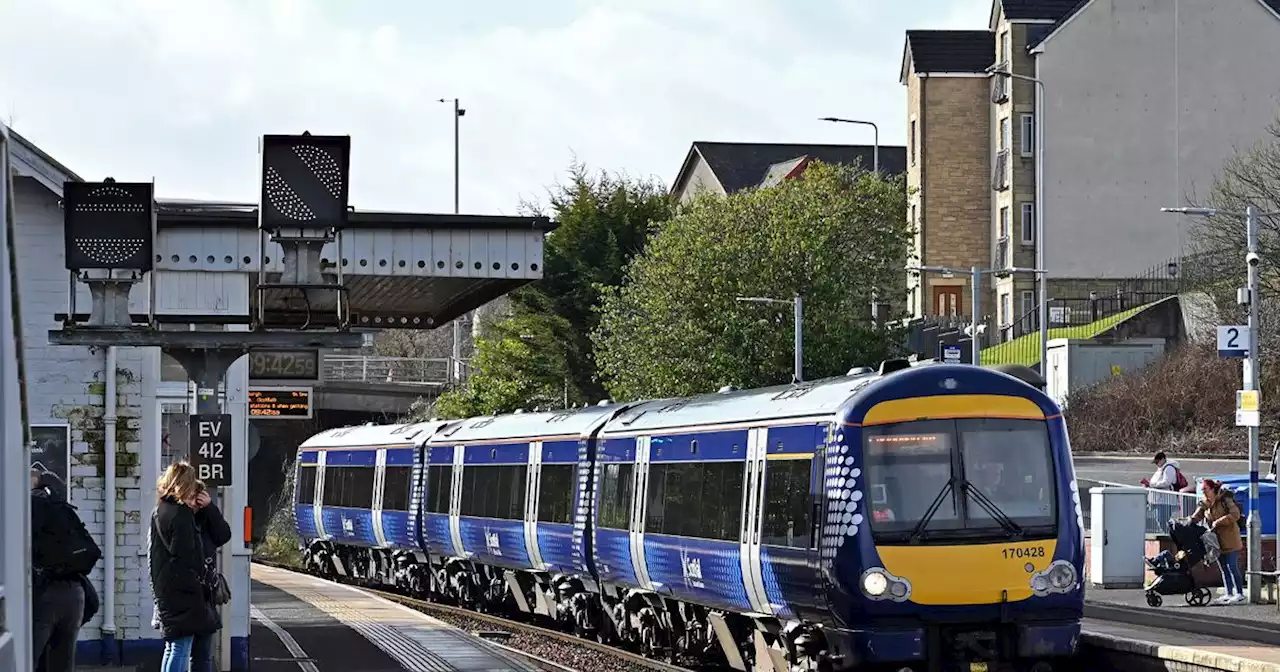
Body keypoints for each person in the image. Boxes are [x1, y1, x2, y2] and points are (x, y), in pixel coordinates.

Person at [150, 463, 220, 672]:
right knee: (181, 647)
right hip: (184, 591)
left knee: (173, 646)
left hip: (166, 587)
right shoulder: (181, 515)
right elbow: (188, 556)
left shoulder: (160, 510)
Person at [31, 467, 101, 672]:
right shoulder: (63, 508)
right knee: (63, 661)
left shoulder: (30, 508)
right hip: (75, 594)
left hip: (45, 593)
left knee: (29, 658)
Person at [1189, 479, 1245, 605]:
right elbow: (1198, 515)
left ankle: (1240, 594)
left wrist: (1218, 522)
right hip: (1217, 540)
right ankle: (1228, 593)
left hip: (1230, 538)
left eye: (1205, 489)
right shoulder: (1206, 502)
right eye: (1202, 490)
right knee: (1223, 568)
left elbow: (1235, 514)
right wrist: (1190, 521)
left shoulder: (1225, 499)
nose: (1203, 492)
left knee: (1232, 566)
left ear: (1212, 489)